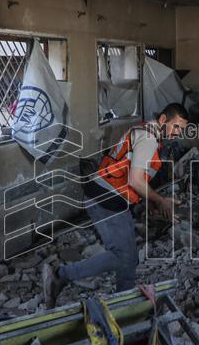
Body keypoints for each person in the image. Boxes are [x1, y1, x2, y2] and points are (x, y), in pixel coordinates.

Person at [42, 103, 190, 308]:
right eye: (176, 127)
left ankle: (122, 306)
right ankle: (62, 276)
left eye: (181, 130)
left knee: (128, 259)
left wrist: (149, 201)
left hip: (110, 198)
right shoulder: (149, 139)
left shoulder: (145, 132)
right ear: (163, 120)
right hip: (106, 200)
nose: (177, 133)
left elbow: (136, 178)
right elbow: (136, 181)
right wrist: (161, 200)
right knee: (126, 257)